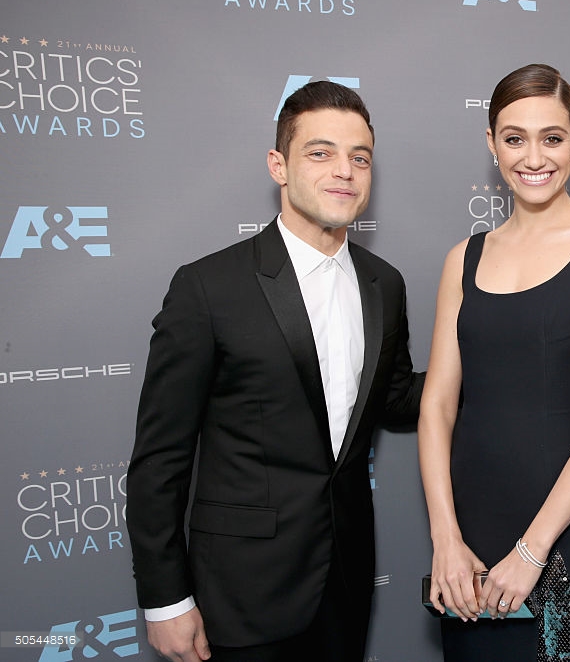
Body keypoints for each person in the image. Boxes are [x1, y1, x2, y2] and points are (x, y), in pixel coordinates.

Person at [126, 80, 423, 662]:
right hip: (240, 595)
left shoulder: (384, 284)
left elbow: (394, 398)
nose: (345, 171)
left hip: (345, 583)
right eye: (321, 152)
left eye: (359, 158)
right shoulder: (208, 287)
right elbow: (160, 457)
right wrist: (165, 599)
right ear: (278, 165)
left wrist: (494, 366)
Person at [418, 63, 570, 662]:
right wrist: (445, 537)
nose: (533, 156)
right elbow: (438, 406)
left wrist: (532, 549)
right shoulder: (461, 260)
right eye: (514, 137)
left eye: (552, 137)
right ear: (491, 144)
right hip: (469, 540)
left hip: (568, 536)